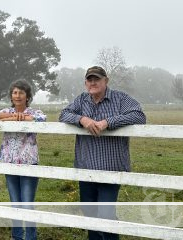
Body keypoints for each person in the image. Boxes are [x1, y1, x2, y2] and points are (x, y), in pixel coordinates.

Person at [59, 66, 146, 240]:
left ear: (106, 81)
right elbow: (63, 114)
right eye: (89, 80)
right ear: (85, 83)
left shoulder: (120, 98)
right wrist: (81, 119)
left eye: (97, 79)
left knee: (106, 214)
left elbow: (139, 116)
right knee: (90, 213)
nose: (93, 83)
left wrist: (108, 122)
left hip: (110, 168)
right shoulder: (82, 100)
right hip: (86, 168)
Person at [0, 79, 46, 240]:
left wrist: (18, 118)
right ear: (11, 96)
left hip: (28, 162)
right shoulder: (6, 110)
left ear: (27, 96)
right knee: (15, 203)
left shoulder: (35, 112)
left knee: (27, 204)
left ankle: (31, 237)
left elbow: (41, 119)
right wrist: (13, 116)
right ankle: (17, 236)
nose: (17, 96)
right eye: (14, 92)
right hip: (9, 162)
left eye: (21, 92)